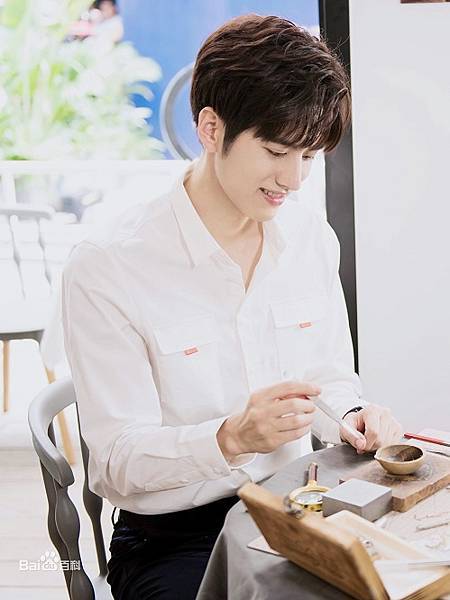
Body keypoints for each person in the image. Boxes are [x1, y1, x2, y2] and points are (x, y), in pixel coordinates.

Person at [62, 14, 403, 600]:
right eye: (276, 151)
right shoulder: (109, 266)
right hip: (175, 535)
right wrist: (230, 438)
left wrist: (352, 416)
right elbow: (116, 461)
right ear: (211, 128)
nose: (293, 179)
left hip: (296, 505)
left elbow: (328, 380)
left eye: (309, 156)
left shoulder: (310, 240)